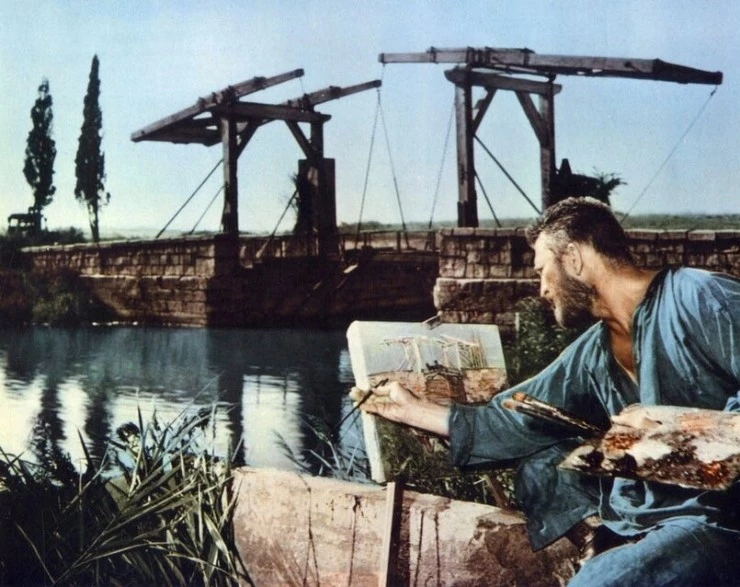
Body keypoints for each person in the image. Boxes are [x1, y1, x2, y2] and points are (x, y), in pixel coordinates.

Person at [358, 197, 740, 586]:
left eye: (543, 271)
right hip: (654, 509)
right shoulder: (594, 350)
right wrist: (411, 409)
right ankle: (610, 539)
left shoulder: (701, 296)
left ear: (573, 258)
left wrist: (670, 429)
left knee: (599, 582)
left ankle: (614, 561)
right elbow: (517, 417)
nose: (542, 289)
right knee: (543, 464)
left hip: (720, 518)